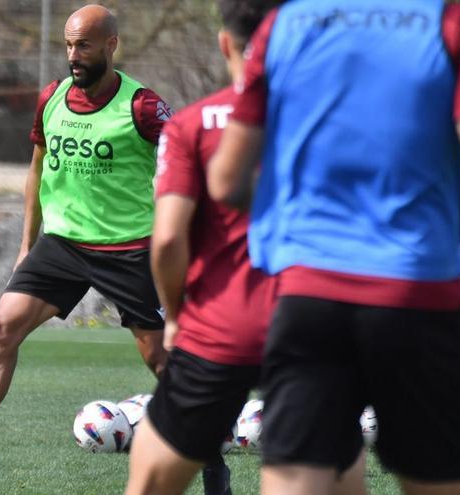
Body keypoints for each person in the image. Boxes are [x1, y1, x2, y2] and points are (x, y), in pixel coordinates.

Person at [207, 1, 460, 495]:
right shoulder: (455, 24)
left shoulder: (283, 26)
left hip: (310, 300)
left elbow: (228, 179)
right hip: (418, 299)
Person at [0, 3, 172, 467]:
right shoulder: (51, 98)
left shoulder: (143, 106)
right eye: (68, 45)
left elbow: (186, 162)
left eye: (83, 45)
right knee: (1, 329)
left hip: (129, 249)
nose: (73, 54)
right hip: (63, 246)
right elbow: (37, 169)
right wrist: (27, 245)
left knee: (162, 362)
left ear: (111, 46)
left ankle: (211, 463)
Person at [124, 2, 366, 494]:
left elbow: (168, 238)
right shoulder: (337, 124)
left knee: (149, 482)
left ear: (224, 43)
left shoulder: (191, 126)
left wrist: (174, 315)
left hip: (217, 332)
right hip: (311, 331)